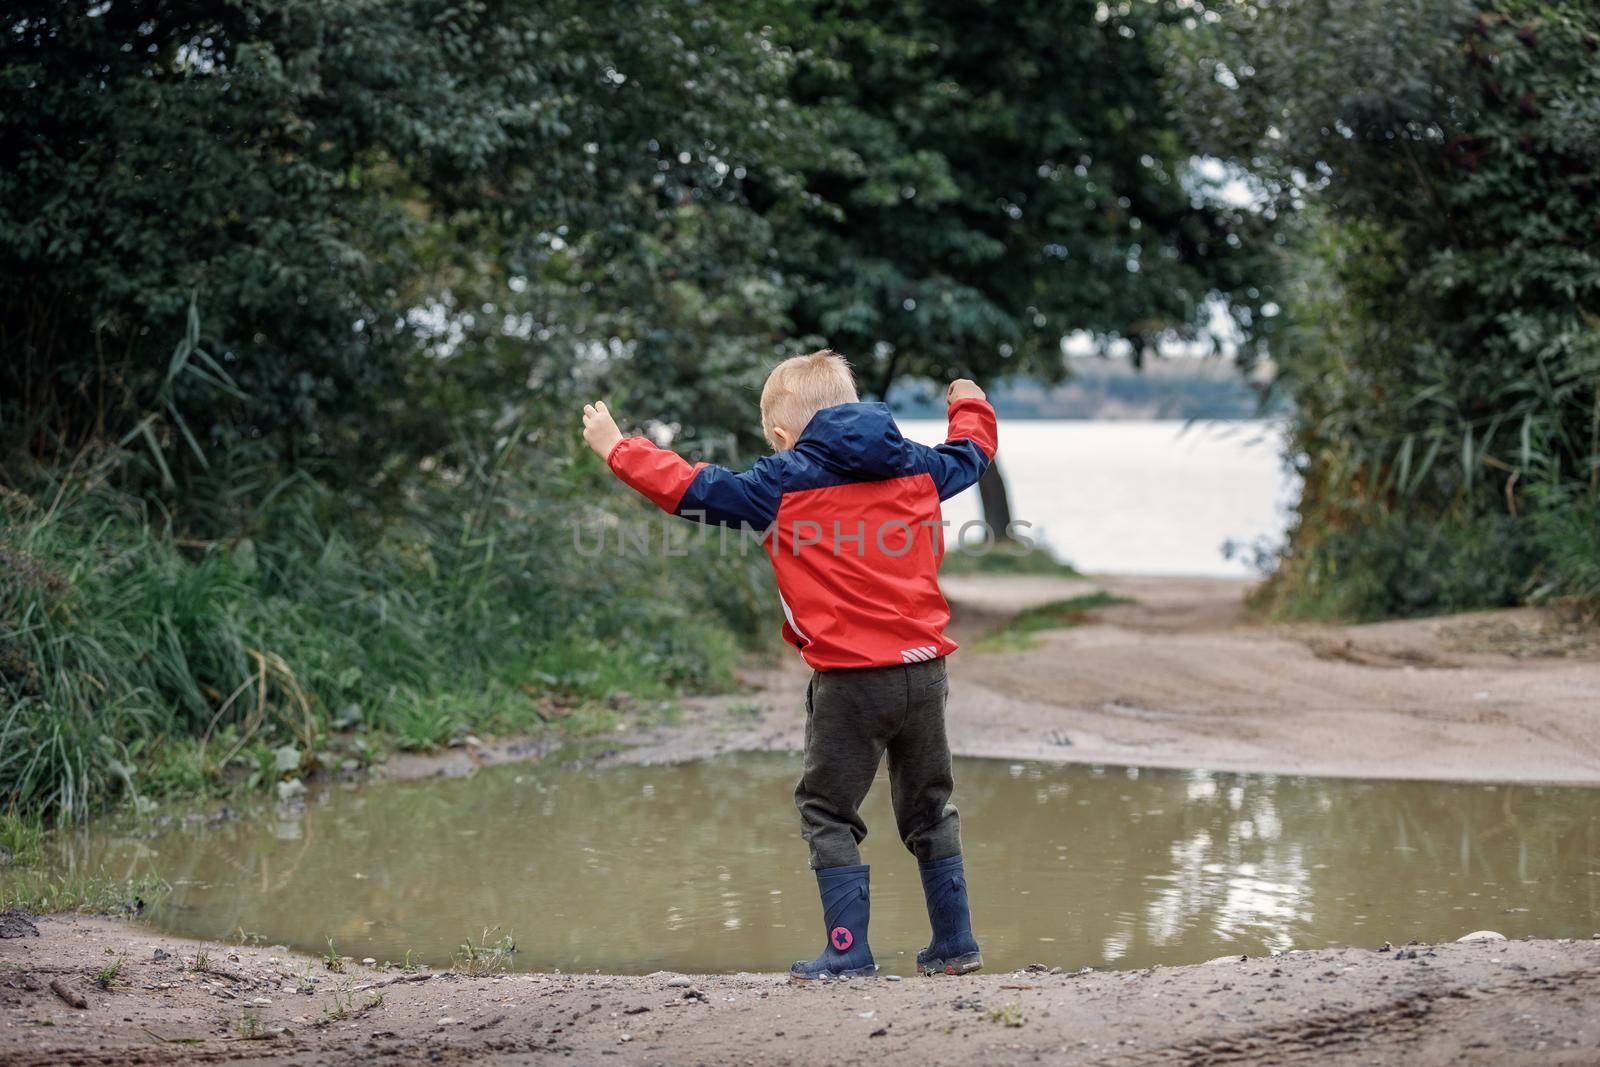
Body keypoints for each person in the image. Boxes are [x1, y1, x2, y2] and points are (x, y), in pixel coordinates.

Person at [580, 349, 997, 979]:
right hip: (924, 672)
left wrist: (619, 448)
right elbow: (971, 454)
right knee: (930, 808)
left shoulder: (782, 480)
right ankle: (956, 944)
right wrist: (969, 401)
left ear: (781, 434)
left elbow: (691, 488)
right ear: (855, 407)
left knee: (828, 811)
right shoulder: (916, 467)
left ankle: (848, 950)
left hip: (851, 682)